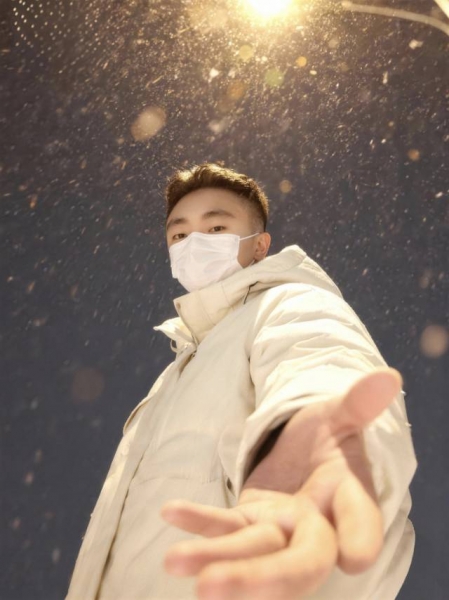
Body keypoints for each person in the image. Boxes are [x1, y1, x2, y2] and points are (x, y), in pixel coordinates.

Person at [66, 163, 416, 600]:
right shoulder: (177, 373)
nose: (194, 244)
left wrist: (310, 451)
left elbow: (319, 359)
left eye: (216, 228)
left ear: (259, 246)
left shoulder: (288, 302)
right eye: (179, 235)